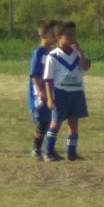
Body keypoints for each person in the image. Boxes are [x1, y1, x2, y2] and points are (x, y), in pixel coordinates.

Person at [43, 21, 91, 161]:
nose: (72, 37)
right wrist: (50, 98)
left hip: (76, 91)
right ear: (59, 36)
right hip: (61, 92)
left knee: (73, 122)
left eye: (74, 34)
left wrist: (80, 51)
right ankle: (48, 151)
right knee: (56, 122)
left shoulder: (78, 54)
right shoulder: (53, 56)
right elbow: (48, 79)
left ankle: (71, 152)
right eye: (68, 34)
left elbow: (85, 66)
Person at [28, 20, 57, 161]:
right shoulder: (39, 53)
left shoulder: (51, 52)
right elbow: (34, 75)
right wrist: (40, 91)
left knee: (52, 120)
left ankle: (50, 149)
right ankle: (36, 148)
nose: (55, 36)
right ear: (43, 35)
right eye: (52, 33)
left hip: (50, 91)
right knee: (43, 121)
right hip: (40, 93)